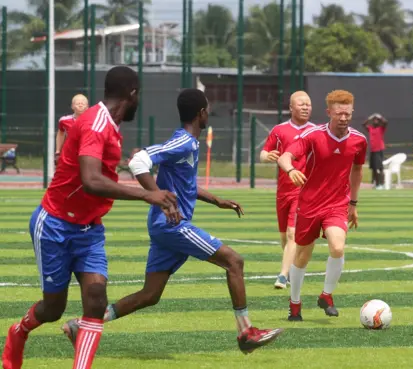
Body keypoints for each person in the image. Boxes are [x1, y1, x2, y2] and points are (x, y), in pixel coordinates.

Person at [61, 88, 284, 355]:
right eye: (208, 109)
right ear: (201, 113)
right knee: (234, 261)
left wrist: (216, 200)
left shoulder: (190, 143)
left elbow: (185, 186)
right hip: (171, 226)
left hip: (164, 226)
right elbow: (138, 161)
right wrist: (156, 197)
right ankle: (246, 332)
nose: (208, 113)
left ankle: (83, 325)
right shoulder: (183, 142)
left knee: (150, 295)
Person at [1, 66, 179, 369]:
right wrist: (148, 195)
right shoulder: (97, 124)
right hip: (55, 224)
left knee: (96, 299)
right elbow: (91, 181)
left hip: (89, 229)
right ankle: (19, 331)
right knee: (53, 309)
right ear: (132, 94)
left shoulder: (109, 124)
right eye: (139, 96)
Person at [277, 90, 367, 321]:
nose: (344, 118)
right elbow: (284, 157)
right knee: (302, 257)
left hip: (337, 205)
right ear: (329, 112)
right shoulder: (312, 135)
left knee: (337, 248)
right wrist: (291, 169)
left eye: (347, 113)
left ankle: (326, 295)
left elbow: (357, 171)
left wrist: (353, 204)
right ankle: (295, 304)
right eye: (339, 113)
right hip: (308, 205)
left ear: (352, 112)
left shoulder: (359, 140)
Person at [260, 91, 315, 289]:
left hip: (304, 191)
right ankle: (292, 269)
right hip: (283, 191)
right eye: (301, 104)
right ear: (291, 108)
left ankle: (283, 275)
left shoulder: (316, 131)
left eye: (308, 104)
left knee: (293, 233)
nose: (306, 107)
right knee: (284, 237)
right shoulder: (279, 130)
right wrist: (267, 157)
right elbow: (263, 153)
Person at [55, 94, 89, 165]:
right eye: (77, 103)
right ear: (72, 106)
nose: (80, 105)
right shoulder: (64, 120)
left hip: (87, 155)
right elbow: (60, 133)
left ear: (87, 106)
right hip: (69, 156)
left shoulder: (93, 121)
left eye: (83, 103)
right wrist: (58, 152)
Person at [363, 113, 387, 189]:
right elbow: (364, 124)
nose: (375, 121)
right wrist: (370, 117)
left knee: (379, 168)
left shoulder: (381, 128)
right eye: (374, 120)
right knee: (373, 168)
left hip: (379, 150)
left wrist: (380, 117)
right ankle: (376, 183)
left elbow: (386, 122)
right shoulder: (371, 128)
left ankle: (381, 184)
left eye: (377, 120)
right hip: (373, 150)